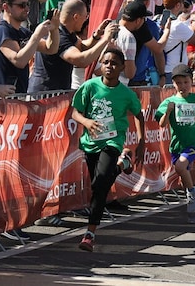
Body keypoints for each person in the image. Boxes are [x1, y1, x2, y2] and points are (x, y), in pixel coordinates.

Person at [71, 48, 146, 252]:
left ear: (122, 67)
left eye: (114, 63)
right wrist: (86, 121)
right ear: (100, 65)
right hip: (91, 142)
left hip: (113, 142)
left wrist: (141, 140)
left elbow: (139, 115)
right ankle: (123, 164)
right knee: (98, 185)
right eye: (106, 62)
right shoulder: (89, 87)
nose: (109, 66)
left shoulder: (126, 94)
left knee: (101, 182)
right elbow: (76, 112)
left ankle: (90, 234)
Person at [156, 64, 195, 224]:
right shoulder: (169, 101)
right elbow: (161, 124)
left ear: (191, 82)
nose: (183, 86)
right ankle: (193, 208)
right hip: (177, 146)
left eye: (186, 82)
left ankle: (193, 194)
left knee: (180, 167)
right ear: (173, 84)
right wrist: (168, 111)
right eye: (178, 83)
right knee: (182, 175)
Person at [28, 0, 117, 92]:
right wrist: (106, 39)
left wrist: (97, 35)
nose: (86, 20)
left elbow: (82, 46)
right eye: (86, 16)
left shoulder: (67, 32)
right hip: (45, 94)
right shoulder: (57, 35)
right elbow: (81, 60)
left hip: (56, 92)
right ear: (76, 17)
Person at [0, 0, 60, 93]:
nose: (26, 9)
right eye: (22, 5)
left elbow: (51, 49)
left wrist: (54, 29)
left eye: (27, 4)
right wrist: (37, 35)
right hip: (4, 100)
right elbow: (18, 61)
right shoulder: (2, 29)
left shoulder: (23, 32)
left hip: (18, 97)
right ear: (6, 7)